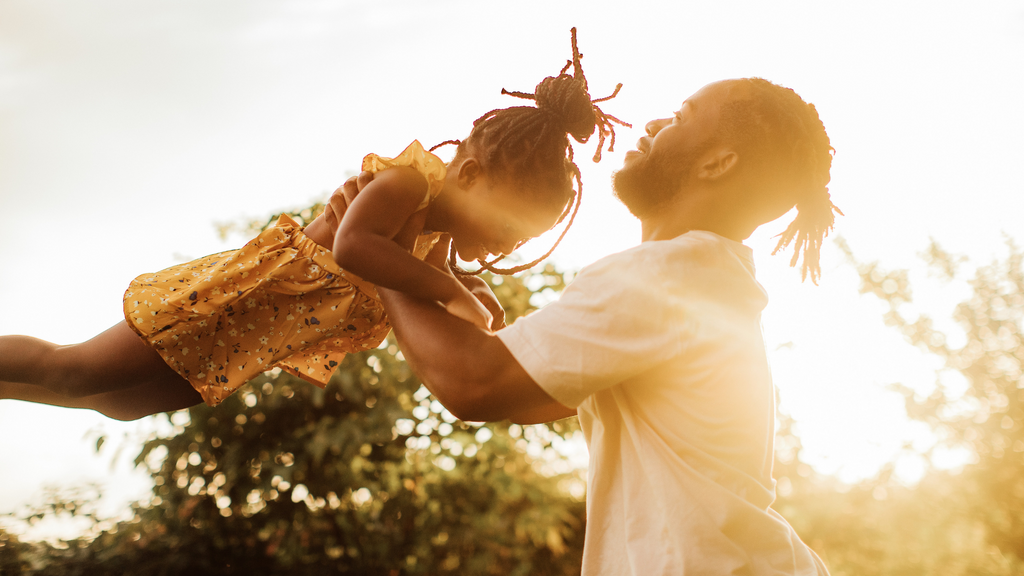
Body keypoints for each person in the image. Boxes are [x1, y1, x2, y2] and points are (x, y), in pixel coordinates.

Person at [0, 29, 627, 422]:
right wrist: (453, 291)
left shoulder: (430, 242)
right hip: (235, 300)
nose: (508, 245)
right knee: (75, 369)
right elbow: (356, 247)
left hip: (251, 343)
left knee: (120, 405)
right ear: (467, 173)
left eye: (522, 240)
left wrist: (467, 292)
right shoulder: (407, 183)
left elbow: (440, 293)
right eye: (508, 225)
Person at [369, 78, 837, 574]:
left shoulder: (665, 275)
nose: (654, 124)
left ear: (716, 163)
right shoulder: (706, 277)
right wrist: (438, 278)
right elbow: (530, 395)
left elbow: (473, 383)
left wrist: (382, 251)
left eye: (679, 117)